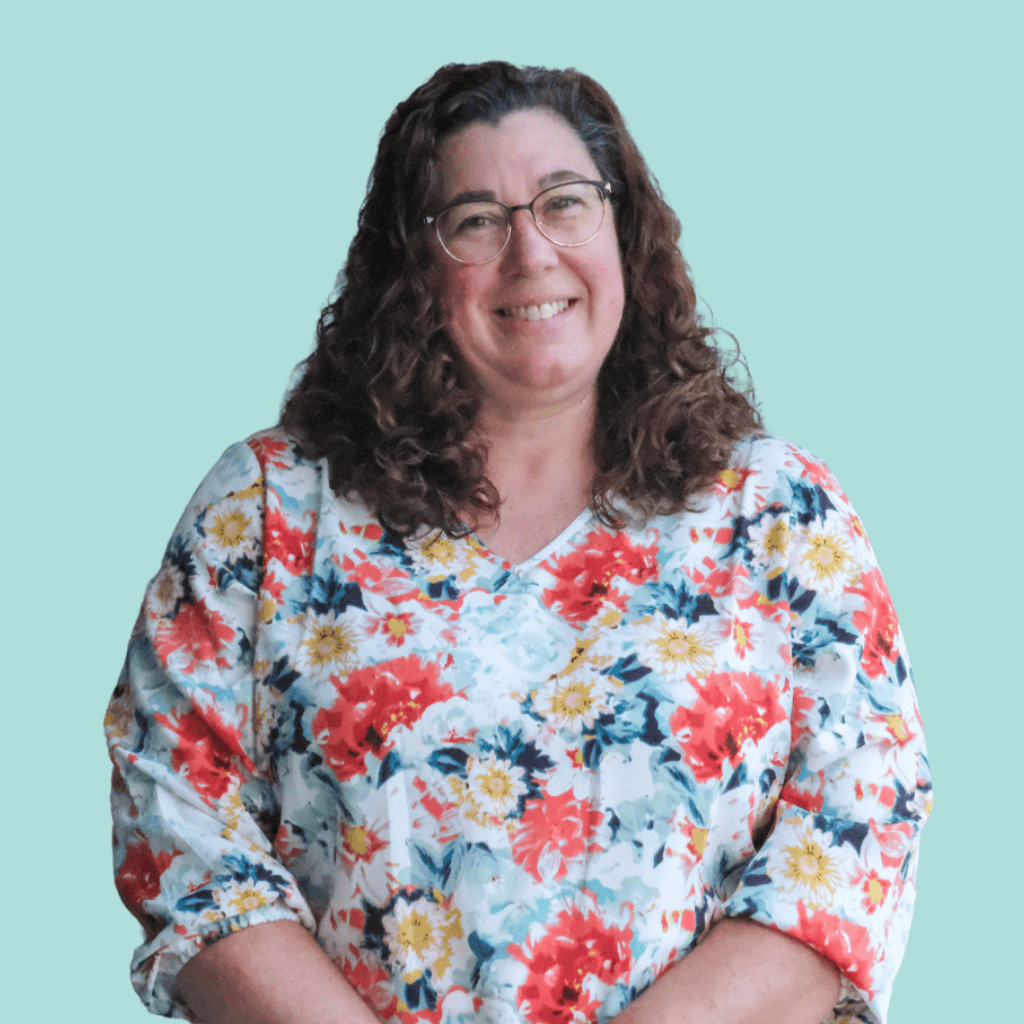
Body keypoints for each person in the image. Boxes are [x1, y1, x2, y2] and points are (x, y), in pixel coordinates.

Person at [105, 62, 931, 1024]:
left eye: (564, 203)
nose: (530, 251)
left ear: (625, 231)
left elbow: (861, 821)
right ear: (411, 264)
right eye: (476, 219)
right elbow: (181, 819)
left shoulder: (781, 509)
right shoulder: (268, 509)